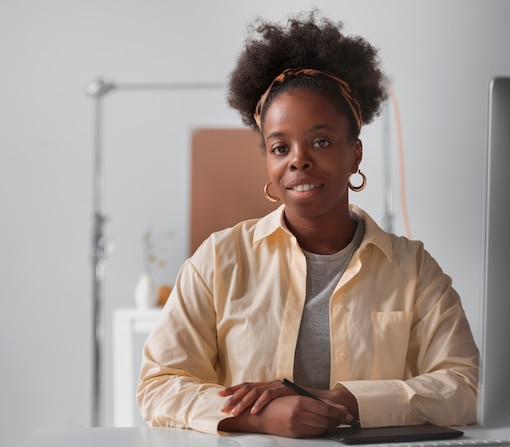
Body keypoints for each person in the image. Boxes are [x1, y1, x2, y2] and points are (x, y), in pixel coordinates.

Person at [137, 9, 479, 439]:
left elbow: (463, 387)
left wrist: (342, 401)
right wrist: (256, 418)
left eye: (320, 141)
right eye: (280, 147)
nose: (298, 159)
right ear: (268, 160)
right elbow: (159, 385)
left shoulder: (413, 268)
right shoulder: (218, 260)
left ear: (354, 153)